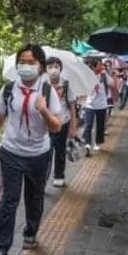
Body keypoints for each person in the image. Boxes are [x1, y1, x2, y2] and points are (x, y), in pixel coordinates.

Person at [0, 44, 62, 255]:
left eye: (31, 62)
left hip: (39, 155)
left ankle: (30, 233)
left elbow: (56, 127)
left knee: (34, 198)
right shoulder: (9, 89)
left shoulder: (47, 91)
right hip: (11, 152)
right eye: (22, 62)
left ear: (41, 66)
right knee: (9, 199)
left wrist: (44, 110)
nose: (26, 66)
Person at [46, 56, 79, 187]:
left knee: (60, 151)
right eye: (50, 67)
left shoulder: (66, 84)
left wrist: (73, 127)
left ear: (60, 69)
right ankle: (43, 178)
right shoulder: (43, 85)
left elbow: (72, 106)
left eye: (56, 66)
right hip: (46, 124)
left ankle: (59, 176)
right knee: (46, 152)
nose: (53, 70)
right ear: (45, 69)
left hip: (62, 123)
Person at [82, 57, 113, 155]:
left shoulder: (104, 75)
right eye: (100, 64)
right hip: (90, 105)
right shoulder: (87, 76)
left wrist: (107, 74)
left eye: (101, 64)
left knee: (100, 125)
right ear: (93, 66)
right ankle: (87, 143)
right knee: (88, 125)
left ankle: (97, 143)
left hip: (102, 105)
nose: (102, 66)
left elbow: (112, 84)